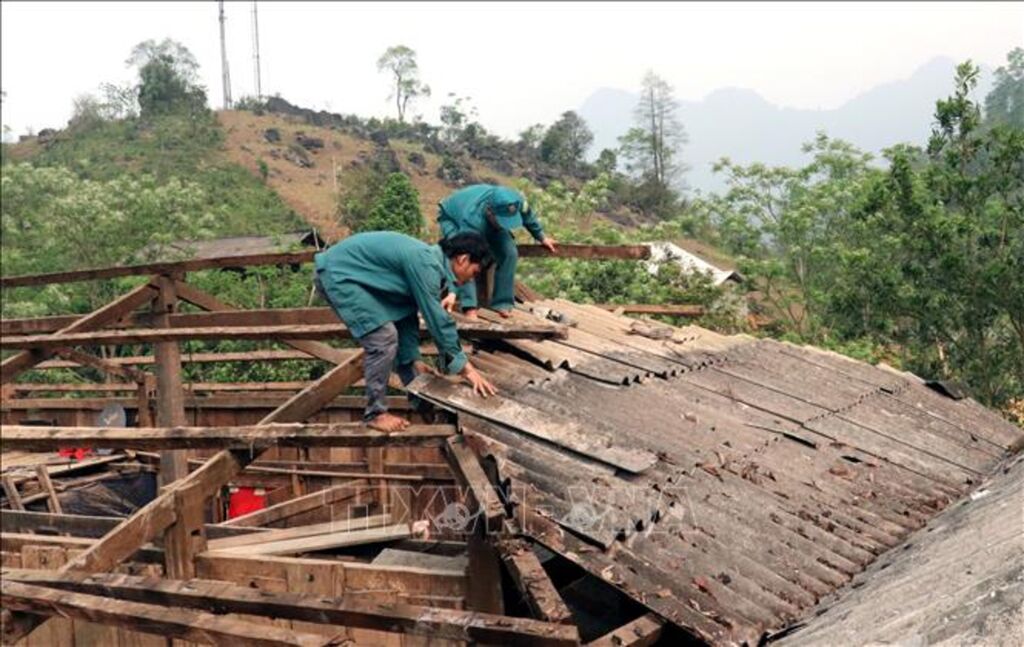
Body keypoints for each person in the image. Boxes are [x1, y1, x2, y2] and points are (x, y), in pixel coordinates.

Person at [313, 231, 498, 432]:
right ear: (462, 259)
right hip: (339, 274)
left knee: (398, 345)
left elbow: (406, 315)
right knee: (383, 338)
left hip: (343, 273)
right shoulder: (427, 265)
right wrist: (467, 370)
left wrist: (414, 359)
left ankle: (422, 404)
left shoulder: (429, 265)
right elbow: (438, 321)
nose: (471, 281)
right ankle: (375, 414)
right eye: (475, 273)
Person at [437, 184, 557, 319]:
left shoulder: (517, 202)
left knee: (509, 253)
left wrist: (541, 237)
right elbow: (465, 258)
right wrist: (470, 309)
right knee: (465, 260)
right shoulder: (472, 219)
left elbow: (528, 216)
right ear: (490, 212)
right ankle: (468, 305)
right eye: (503, 221)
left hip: (491, 223)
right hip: (451, 218)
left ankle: (502, 303)